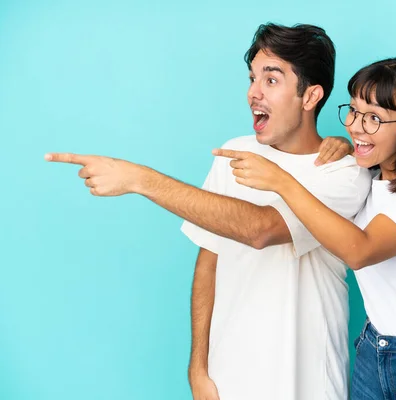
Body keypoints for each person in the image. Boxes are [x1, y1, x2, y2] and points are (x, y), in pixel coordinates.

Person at [45, 23, 369, 399]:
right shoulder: (234, 153)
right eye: (252, 78)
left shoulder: (344, 172)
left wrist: (139, 179)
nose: (253, 93)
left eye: (271, 79)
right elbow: (209, 261)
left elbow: (260, 229)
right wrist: (198, 368)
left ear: (310, 96)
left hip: (310, 383)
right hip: (228, 380)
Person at [214, 57, 396, 399]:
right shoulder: (368, 177)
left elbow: (360, 250)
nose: (356, 127)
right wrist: (345, 150)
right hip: (373, 349)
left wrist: (281, 182)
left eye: (374, 118)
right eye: (354, 111)